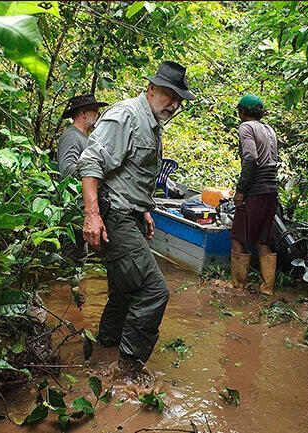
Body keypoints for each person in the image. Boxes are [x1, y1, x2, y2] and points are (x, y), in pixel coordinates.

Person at [77, 61, 194, 377]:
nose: (173, 104)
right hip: (114, 217)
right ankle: (128, 368)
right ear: (152, 89)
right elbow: (91, 163)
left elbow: (129, 172)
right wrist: (92, 217)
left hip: (130, 214)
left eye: (178, 100)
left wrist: (144, 209)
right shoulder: (126, 115)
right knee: (154, 291)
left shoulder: (151, 124)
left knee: (126, 290)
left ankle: (105, 347)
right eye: (170, 95)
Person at [230, 94, 279, 295]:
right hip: (271, 191)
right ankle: (267, 290)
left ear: (242, 112)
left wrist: (241, 190)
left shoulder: (246, 128)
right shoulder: (269, 129)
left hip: (255, 191)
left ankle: (238, 287)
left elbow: (250, 159)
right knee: (262, 239)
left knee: (237, 236)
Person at [57, 94, 107, 181]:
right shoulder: (71, 136)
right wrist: (93, 172)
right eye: (95, 111)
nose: (97, 115)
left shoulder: (84, 136)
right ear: (84, 113)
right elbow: (66, 170)